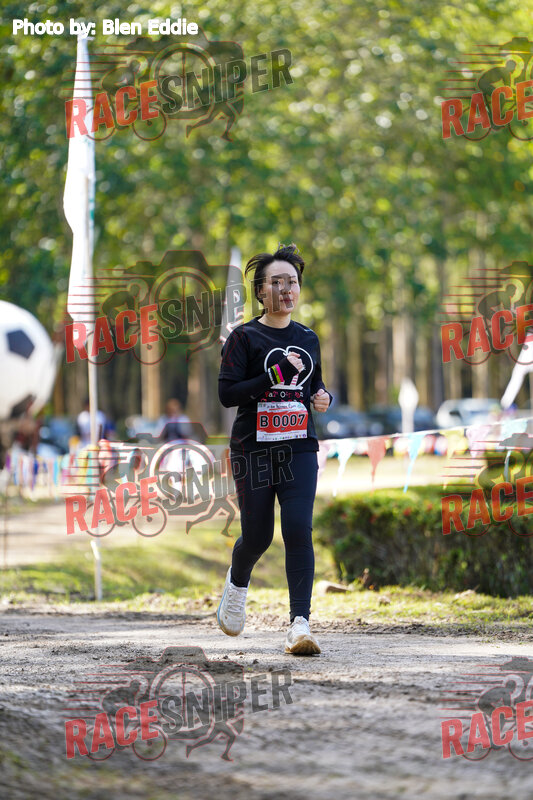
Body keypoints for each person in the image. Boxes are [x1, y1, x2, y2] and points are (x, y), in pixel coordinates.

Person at [217, 243, 333, 655]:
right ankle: (237, 584)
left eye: (293, 282)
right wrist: (275, 375)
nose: (287, 289)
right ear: (260, 291)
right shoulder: (243, 337)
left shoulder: (308, 338)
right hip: (253, 450)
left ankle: (299, 624)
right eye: (277, 282)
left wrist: (323, 397)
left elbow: (313, 385)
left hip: (299, 447)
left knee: (298, 529)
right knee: (258, 536)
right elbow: (227, 394)